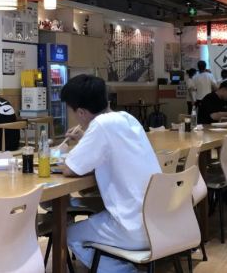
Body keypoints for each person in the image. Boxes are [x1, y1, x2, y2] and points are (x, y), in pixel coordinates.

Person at [61, 75, 161, 273]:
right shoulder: (127, 118)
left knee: (68, 233)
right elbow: (110, 148)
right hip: (159, 221)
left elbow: (70, 168)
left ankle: (125, 271)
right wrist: (85, 139)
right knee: (97, 219)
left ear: (81, 112)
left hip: (134, 228)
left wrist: (63, 153)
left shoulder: (100, 125)